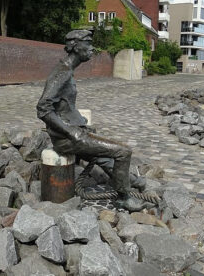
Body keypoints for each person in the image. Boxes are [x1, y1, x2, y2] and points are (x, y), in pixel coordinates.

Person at [37, 30, 147, 211]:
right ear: (74, 46)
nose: (91, 48)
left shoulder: (67, 70)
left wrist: (80, 124)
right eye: (87, 43)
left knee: (104, 157)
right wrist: (69, 130)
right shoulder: (62, 73)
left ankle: (132, 182)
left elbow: (64, 107)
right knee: (123, 151)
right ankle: (124, 198)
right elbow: (43, 108)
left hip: (77, 132)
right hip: (69, 139)